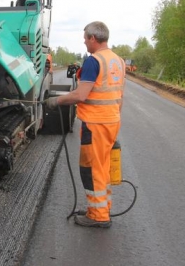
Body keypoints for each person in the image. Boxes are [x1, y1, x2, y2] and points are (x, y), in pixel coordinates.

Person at [45, 21, 125, 228]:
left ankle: (98, 216)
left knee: (92, 169)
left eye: (85, 38)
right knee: (102, 167)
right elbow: (119, 96)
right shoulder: (117, 61)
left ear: (92, 38)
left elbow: (81, 95)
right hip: (110, 121)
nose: (84, 41)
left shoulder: (94, 61)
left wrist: (56, 101)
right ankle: (99, 207)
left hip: (96, 123)